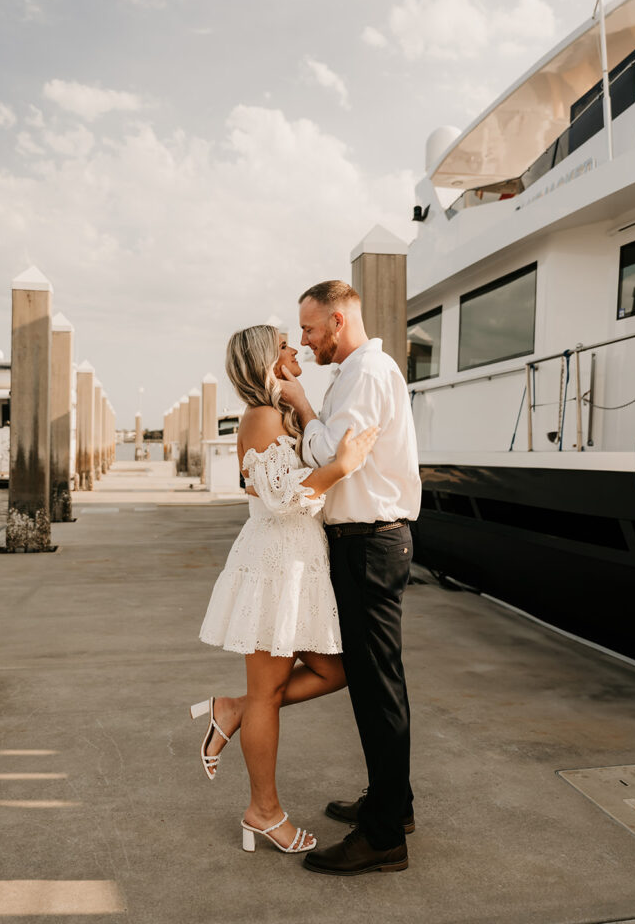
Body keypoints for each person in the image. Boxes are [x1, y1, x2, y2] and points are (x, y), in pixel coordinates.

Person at [193, 324, 379, 856]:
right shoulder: (261, 416)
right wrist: (341, 467)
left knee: (334, 670)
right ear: (264, 361)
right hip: (276, 564)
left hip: (298, 561)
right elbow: (277, 497)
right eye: (282, 344)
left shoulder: (281, 413)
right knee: (270, 697)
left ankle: (232, 709)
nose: (293, 348)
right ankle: (263, 812)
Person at [279, 280, 421, 877]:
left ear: (337, 321)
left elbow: (333, 455)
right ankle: (394, 804)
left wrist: (303, 407)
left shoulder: (366, 372)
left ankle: (384, 835)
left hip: (368, 543)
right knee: (377, 681)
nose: (306, 340)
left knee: (375, 686)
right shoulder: (360, 371)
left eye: (310, 329)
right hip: (367, 543)